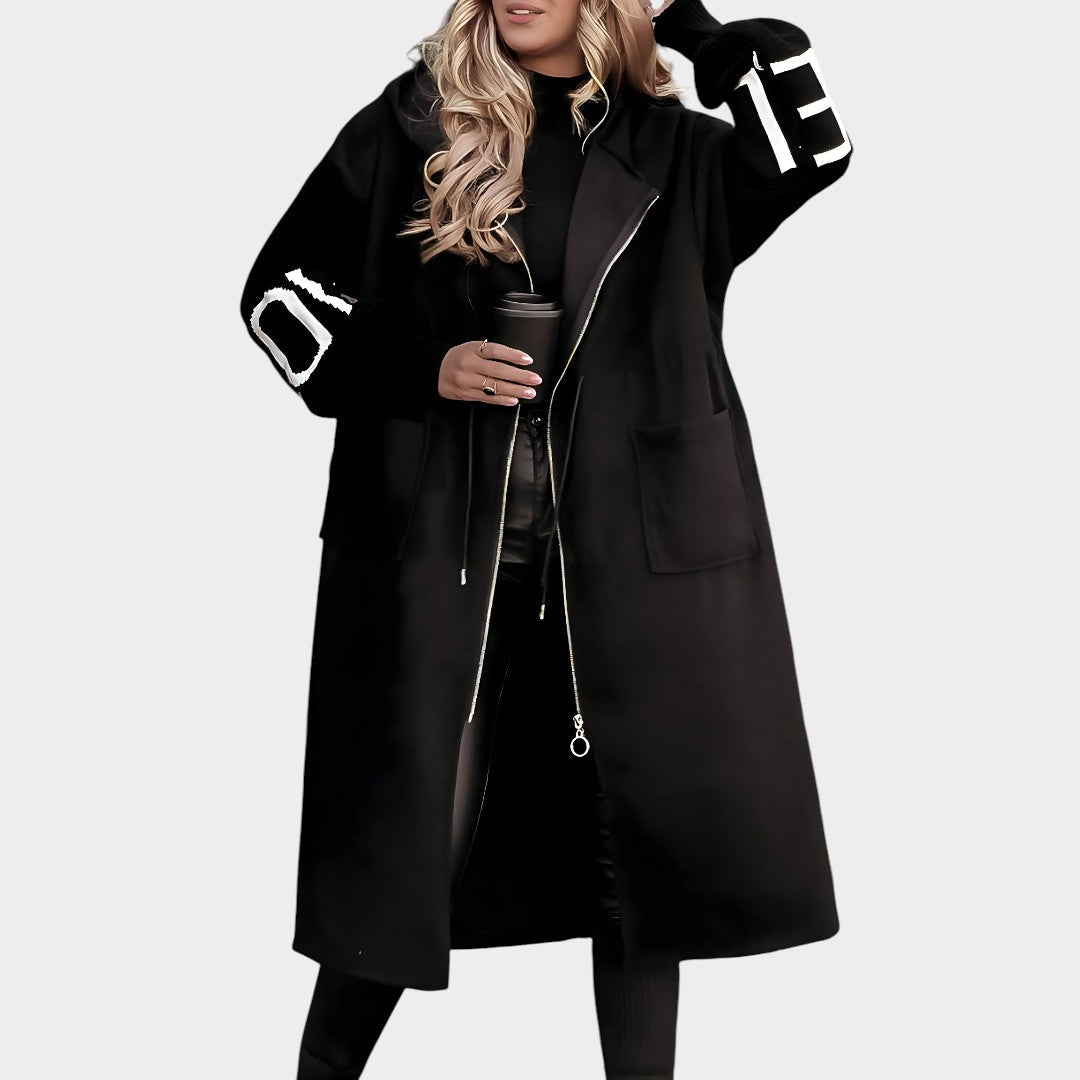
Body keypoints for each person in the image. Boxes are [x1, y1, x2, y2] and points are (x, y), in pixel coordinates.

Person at [239, 2, 853, 1077]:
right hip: (442, 535)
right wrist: (426, 367)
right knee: (406, 840)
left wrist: (695, 30)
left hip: (633, 538)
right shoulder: (414, 123)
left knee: (634, 841)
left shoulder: (676, 149)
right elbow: (276, 296)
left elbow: (813, 149)